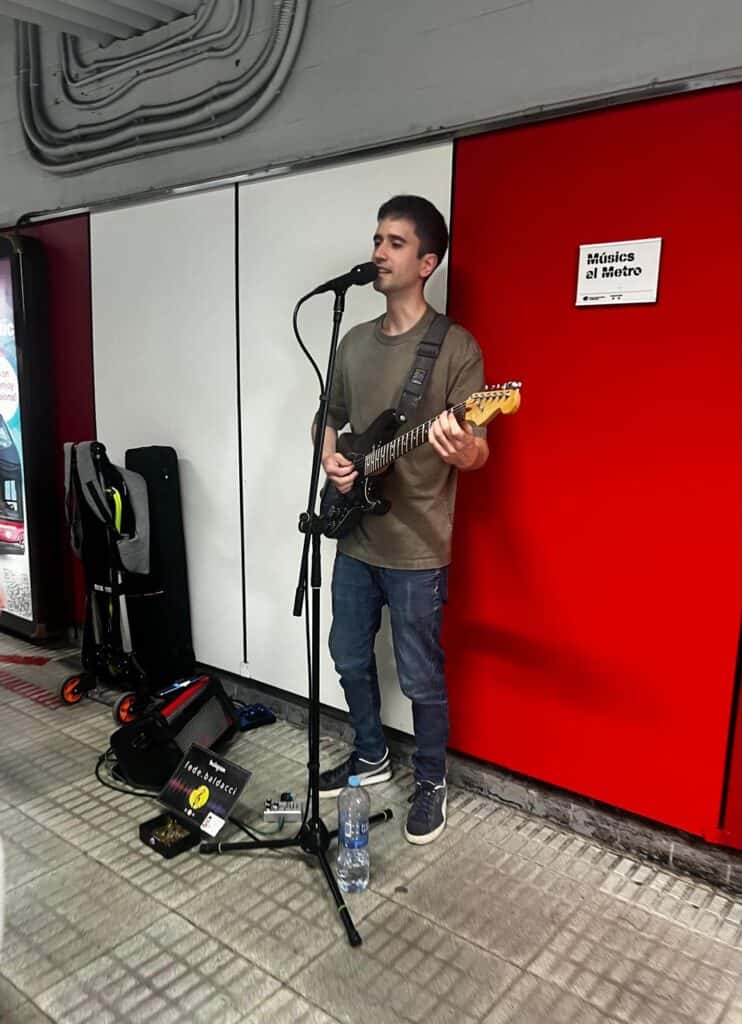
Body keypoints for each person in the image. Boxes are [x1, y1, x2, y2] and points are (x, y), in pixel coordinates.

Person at [314, 195, 489, 844]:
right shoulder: (355, 343)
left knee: (420, 675)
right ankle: (369, 753)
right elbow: (329, 416)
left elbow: (478, 448)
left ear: (426, 262)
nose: (378, 253)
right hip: (356, 536)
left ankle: (431, 779)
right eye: (377, 239)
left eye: (394, 243)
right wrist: (333, 454)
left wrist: (465, 447)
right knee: (347, 655)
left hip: (417, 547)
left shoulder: (455, 347)